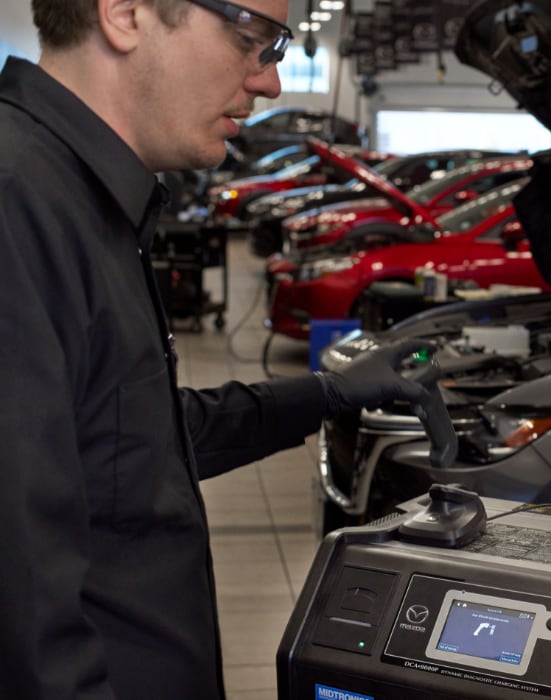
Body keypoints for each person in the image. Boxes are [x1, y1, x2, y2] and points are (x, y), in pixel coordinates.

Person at [0, 0, 434, 698]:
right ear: (125, 13)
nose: (270, 82)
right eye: (251, 36)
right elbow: (22, 628)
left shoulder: (85, 201)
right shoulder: (18, 205)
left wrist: (328, 394)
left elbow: (130, 443)